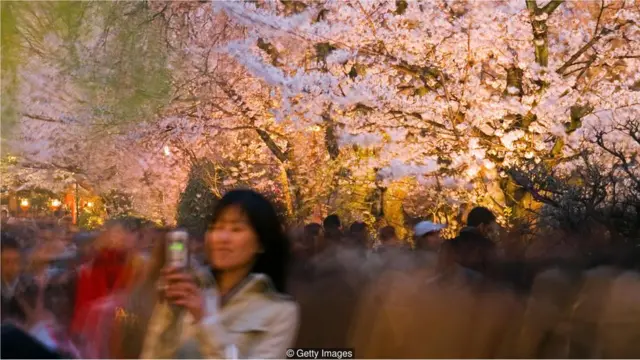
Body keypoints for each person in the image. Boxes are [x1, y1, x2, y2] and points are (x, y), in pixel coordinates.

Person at [140, 189, 299, 359]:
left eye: (236, 229)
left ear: (261, 243)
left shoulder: (280, 312)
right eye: (216, 227)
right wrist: (168, 311)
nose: (222, 237)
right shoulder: (191, 289)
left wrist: (205, 319)